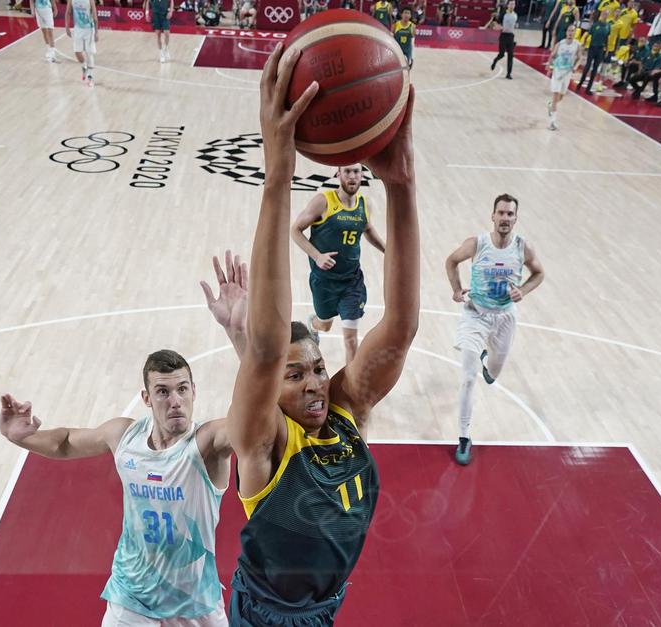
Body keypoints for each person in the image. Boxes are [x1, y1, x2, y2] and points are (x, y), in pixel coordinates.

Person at [226, 44, 418, 626]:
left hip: (325, 609)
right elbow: (263, 349)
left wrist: (403, 187)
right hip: (268, 616)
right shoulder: (263, 442)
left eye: (315, 367)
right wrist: (277, 177)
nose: (314, 383)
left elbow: (402, 327)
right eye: (295, 374)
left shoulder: (345, 408)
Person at [0, 350, 233, 626]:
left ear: (194, 391)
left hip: (195, 600)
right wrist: (21, 437)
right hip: (132, 595)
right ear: (146, 398)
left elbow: (248, 427)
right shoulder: (124, 436)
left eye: (182, 390)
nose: (175, 402)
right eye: (162, 392)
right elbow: (65, 442)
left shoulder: (207, 443)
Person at [445, 194, 545, 466]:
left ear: (515, 218)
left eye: (510, 214)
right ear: (492, 216)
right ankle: (464, 436)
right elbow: (451, 261)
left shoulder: (523, 247)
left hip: (504, 318)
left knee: (493, 373)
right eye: (501, 213)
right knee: (468, 377)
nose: (505, 218)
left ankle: (488, 363)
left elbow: (539, 273)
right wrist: (456, 289)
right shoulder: (477, 244)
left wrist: (522, 291)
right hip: (475, 315)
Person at [290, 164, 386, 365]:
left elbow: (367, 229)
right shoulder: (323, 202)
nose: (352, 176)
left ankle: (350, 391)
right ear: (338, 174)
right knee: (324, 324)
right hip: (324, 282)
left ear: (362, 175)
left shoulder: (364, 204)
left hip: (352, 282)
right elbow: (295, 231)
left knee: (351, 340)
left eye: (356, 171)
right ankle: (313, 326)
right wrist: (317, 256)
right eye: (347, 171)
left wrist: (388, 250)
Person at [546, 22, 582, 129]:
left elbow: (579, 58)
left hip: (567, 73)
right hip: (558, 72)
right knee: (556, 95)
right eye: (569, 30)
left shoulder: (577, 45)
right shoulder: (560, 44)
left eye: (573, 31)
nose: (571, 32)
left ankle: (550, 105)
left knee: (560, 97)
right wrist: (549, 64)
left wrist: (576, 66)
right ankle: (552, 122)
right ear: (566, 32)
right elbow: (552, 55)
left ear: (575, 33)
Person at [65, 0, 98, 87]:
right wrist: (67, 27)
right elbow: (68, 12)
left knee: (89, 53)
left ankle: (90, 78)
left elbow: (95, 16)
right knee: (77, 52)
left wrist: (96, 33)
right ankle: (84, 66)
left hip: (89, 29)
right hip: (78, 29)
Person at [577, 10, 610, 95]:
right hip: (592, 47)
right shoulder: (595, 25)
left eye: (606, 14)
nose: (605, 15)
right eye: (604, 14)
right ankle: (580, 84)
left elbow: (607, 38)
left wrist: (607, 50)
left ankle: (588, 88)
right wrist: (584, 44)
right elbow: (588, 34)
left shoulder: (608, 26)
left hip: (600, 49)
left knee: (595, 69)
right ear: (601, 15)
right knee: (587, 66)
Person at [490, 0, 518, 79]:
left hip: (511, 36)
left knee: (511, 55)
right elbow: (496, 23)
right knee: (501, 54)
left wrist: (515, 26)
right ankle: (495, 60)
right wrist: (499, 27)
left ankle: (509, 74)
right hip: (503, 36)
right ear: (508, 5)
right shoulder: (503, 14)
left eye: (514, 4)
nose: (512, 5)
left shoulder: (515, 15)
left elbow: (513, 25)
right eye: (511, 4)